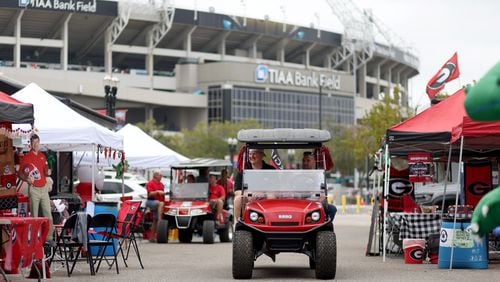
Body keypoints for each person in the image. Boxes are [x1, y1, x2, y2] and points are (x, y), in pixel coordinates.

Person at [17, 134, 54, 243]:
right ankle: (34, 239)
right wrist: (27, 179)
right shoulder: (26, 157)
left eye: (37, 142)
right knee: (34, 216)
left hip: (44, 189)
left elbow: (45, 171)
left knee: (48, 214)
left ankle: (49, 238)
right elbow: (19, 174)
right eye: (33, 142)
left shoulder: (42, 155)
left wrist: (48, 172)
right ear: (30, 144)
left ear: (39, 142)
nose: (36, 144)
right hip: (33, 189)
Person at [233, 148, 274, 221]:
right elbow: (237, 191)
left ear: (262, 155)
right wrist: (248, 194)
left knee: (271, 196)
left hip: (265, 198)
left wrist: (264, 193)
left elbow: (276, 188)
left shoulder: (271, 170)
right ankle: (241, 223)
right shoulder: (243, 171)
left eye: (255, 153)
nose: (252, 156)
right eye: (250, 154)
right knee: (238, 199)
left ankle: (272, 221)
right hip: (249, 199)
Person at [302, 151, 337, 221]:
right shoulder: (297, 174)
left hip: (314, 203)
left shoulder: (319, 176)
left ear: (314, 161)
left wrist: (316, 205)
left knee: (332, 209)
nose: (305, 163)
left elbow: (323, 195)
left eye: (308, 160)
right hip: (300, 203)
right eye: (303, 161)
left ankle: (325, 228)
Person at [145, 170, 166, 243]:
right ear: (156, 176)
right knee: (160, 204)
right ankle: (160, 219)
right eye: (160, 175)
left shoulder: (161, 184)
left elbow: (163, 196)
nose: (161, 176)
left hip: (158, 203)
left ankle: (151, 237)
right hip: (151, 201)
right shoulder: (150, 183)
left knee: (155, 220)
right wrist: (157, 192)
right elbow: (150, 194)